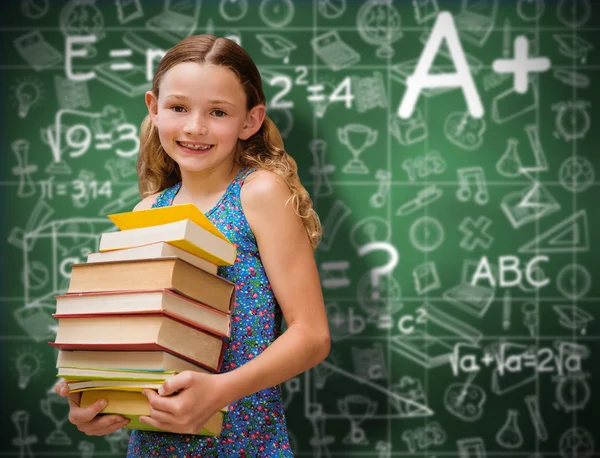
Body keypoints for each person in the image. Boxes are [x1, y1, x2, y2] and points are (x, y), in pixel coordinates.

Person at [54, 34, 331, 456]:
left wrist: (219, 391)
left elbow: (311, 335)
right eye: (178, 107)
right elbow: (133, 337)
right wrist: (92, 397)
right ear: (153, 108)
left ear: (250, 121)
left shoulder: (259, 193)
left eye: (218, 112)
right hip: (153, 445)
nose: (195, 127)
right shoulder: (147, 210)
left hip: (244, 442)